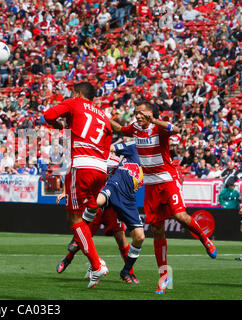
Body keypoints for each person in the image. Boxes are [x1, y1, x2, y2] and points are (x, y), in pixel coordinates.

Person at [109, 100, 217, 295]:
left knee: (180, 216)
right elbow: (121, 129)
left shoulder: (159, 128)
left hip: (168, 179)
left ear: (151, 114)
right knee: (157, 230)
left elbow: (174, 129)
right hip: (150, 184)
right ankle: (164, 275)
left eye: (142, 113)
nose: (138, 115)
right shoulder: (134, 127)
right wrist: (103, 118)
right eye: (136, 112)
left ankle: (205, 239)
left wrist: (155, 121)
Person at [43, 81, 113, 289]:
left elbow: (48, 115)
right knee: (78, 215)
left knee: (73, 219)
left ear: (76, 93)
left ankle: (96, 264)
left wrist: (58, 125)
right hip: (101, 169)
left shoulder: (75, 103)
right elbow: (107, 149)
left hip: (82, 166)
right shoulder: (104, 117)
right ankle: (94, 261)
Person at [56, 141, 145, 285]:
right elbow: (77, 174)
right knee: (84, 234)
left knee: (121, 237)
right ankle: (68, 258)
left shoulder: (120, 159)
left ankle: (129, 273)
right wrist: (66, 191)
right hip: (102, 198)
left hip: (115, 203)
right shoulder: (96, 160)